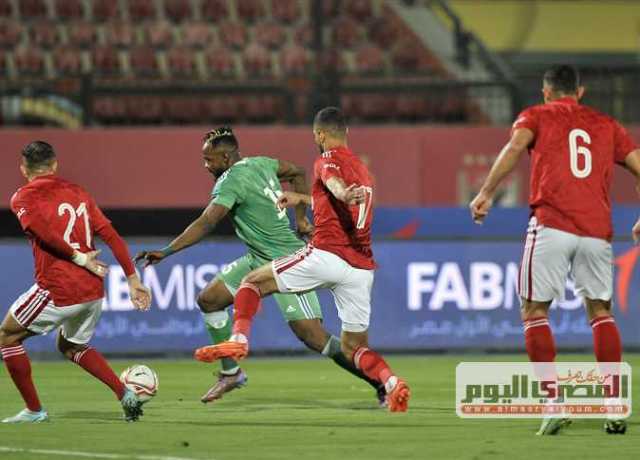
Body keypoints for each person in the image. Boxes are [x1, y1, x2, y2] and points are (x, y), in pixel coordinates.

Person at [135, 127, 385, 405]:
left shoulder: (229, 181)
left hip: (285, 258)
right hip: (258, 257)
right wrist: (301, 219)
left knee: (313, 336)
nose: (206, 166)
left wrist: (167, 251)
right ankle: (231, 373)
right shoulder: (261, 163)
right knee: (209, 300)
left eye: (210, 160)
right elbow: (298, 173)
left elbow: (207, 222)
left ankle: (379, 380)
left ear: (227, 157)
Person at [194, 109, 411, 412]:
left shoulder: (326, 160)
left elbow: (333, 183)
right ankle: (390, 383)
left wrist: (339, 194)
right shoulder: (362, 171)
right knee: (355, 347)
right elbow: (335, 196)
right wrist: (303, 200)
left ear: (321, 135)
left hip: (328, 256)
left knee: (253, 282)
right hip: (361, 268)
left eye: (315, 136)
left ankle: (240, 339)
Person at [469, 65, 640, 435]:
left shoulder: (536, 115)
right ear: (580, 92)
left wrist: (485, 193)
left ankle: (553, 403)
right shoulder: (607, 124)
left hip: (552, 224)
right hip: (597, 230)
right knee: (600, 311)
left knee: (533, 311)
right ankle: (613, 405)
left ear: (546, 92)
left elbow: (514, 147)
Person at [0, 141, 152, 423]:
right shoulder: (79, 192)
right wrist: (133, 278)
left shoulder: (23, 197)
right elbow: (110, 234)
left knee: (7, 335)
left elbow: (42, 232)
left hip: (58, 288)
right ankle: (125, 394)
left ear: (24, 169)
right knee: (71, 346)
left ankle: (34, 411)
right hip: (93, 289)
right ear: (55, 165)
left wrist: (79, 258)